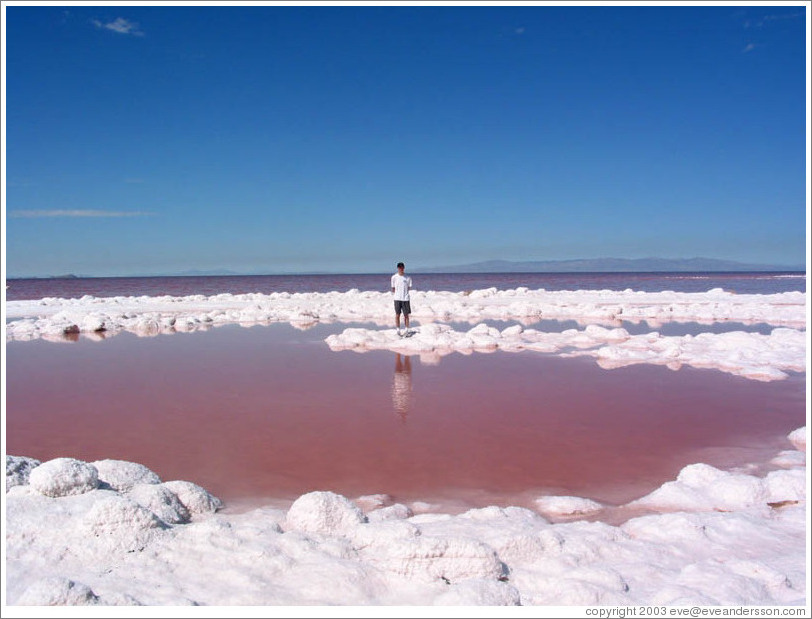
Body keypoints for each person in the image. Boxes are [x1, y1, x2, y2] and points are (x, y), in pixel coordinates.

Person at [390, 262, 412, 336]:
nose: (401, 269)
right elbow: (393, 288)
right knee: (397, 314)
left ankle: (406, 329)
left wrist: (404, 293)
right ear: (398, 268)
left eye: (402, 267)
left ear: (404, 268)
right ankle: (398, 329)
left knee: (406, 315)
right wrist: (396, 294)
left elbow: (409, 287)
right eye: (399, 268)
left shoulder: (408, 278)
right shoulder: (394, 277)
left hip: (405, 298)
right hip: (397, 298)